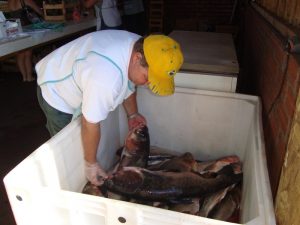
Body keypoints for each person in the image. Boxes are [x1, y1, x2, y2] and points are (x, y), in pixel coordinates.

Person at [35, 30, 184, 185]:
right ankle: (66, 186)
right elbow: (90, 123)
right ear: (137, 58)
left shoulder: (142, 47)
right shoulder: (106, 78)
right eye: (147, 78)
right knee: (68, 151)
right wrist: (91, 164)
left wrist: (133, 114)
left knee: (85, 142)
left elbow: (130, 83)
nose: (147, 84)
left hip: (83, 74)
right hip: (56, 88)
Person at [8, 0, 43, 82]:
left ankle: (24, 77)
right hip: (27, 29)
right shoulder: (26, 0)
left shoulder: (9, 2)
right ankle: (29, 77)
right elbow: (39, 11)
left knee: (20, 55)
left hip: (16, 29)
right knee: (27, 54)